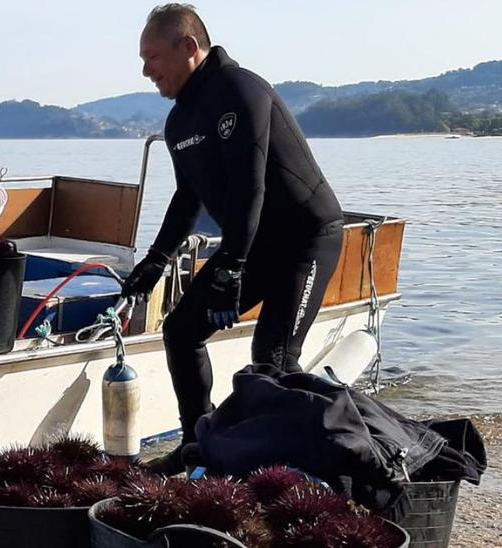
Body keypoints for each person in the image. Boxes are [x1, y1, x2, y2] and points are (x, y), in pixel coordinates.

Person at [122, 4, 346, 475]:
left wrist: (231, 265)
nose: (145, 70)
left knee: (273, 359)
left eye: (151, 57)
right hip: (254, 245)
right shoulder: (180, 121)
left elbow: (251, 184)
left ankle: (285, 474)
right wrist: (155, 260)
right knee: (181, 332)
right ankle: (197, 448)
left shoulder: (240, 89)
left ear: (188, 47)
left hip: (306, 238)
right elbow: (188, 198)